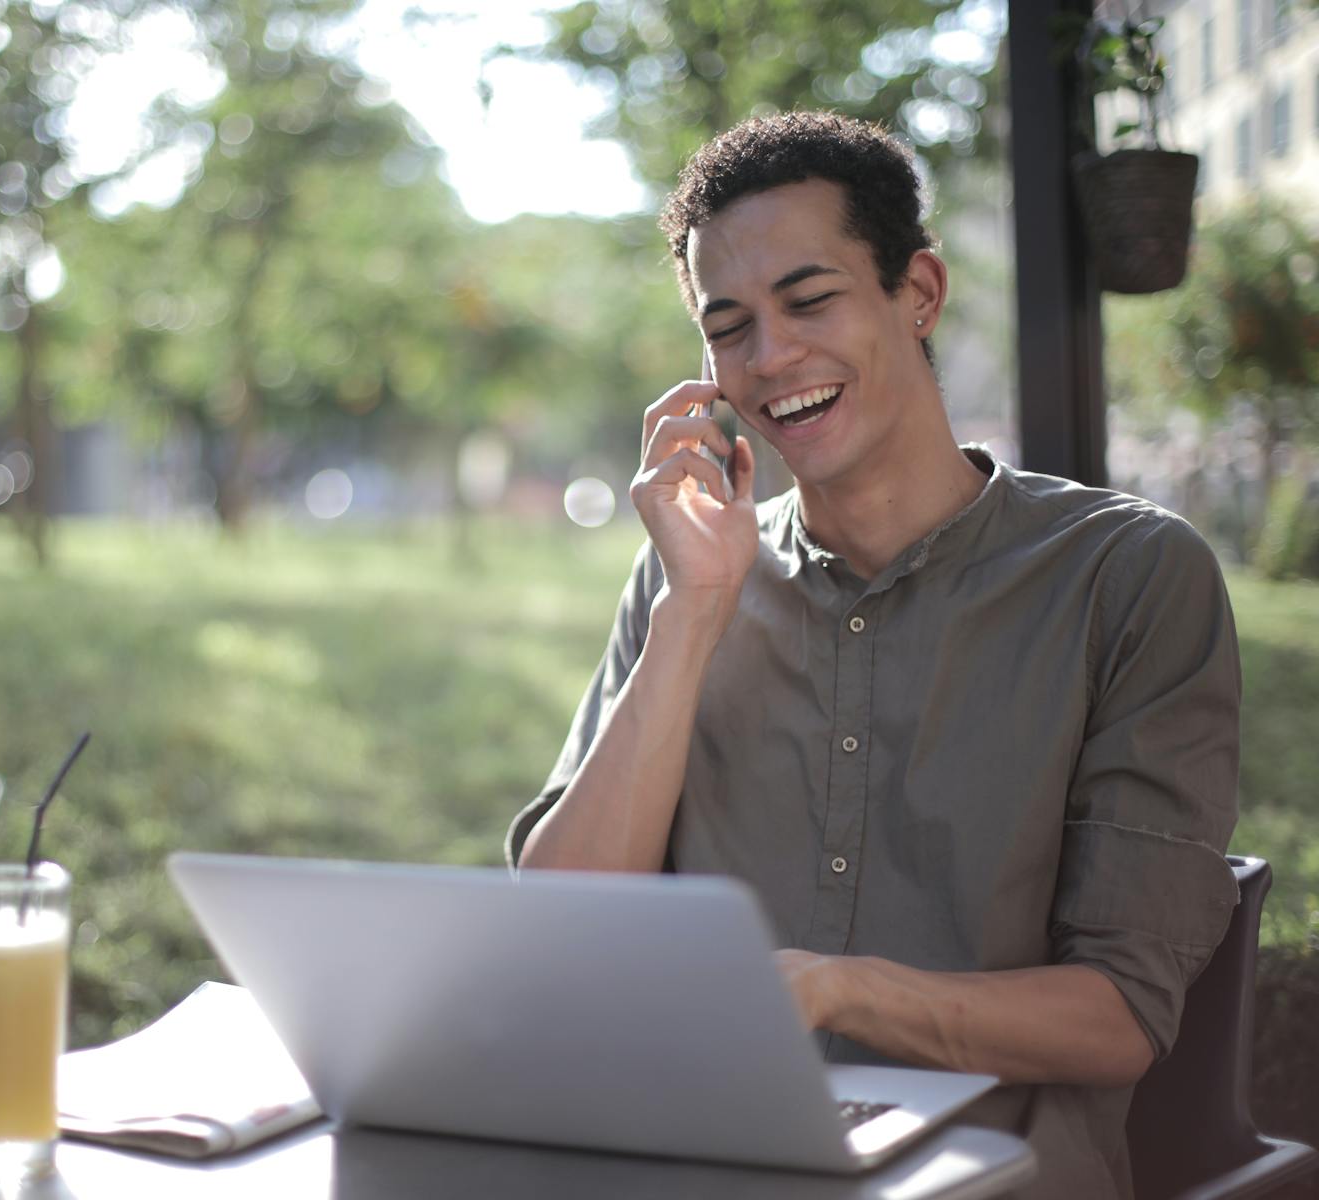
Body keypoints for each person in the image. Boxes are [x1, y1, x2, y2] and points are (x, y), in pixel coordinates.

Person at [506, 111, 1240, 1200]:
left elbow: (1120, 1016)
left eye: (809, 301)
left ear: (919, 294)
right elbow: (561, 929)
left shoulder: (1127, 579)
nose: (771, 358)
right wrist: (693, 612)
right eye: (728, 326)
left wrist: (832, 992)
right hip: (692, 1159)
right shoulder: (689, 576)